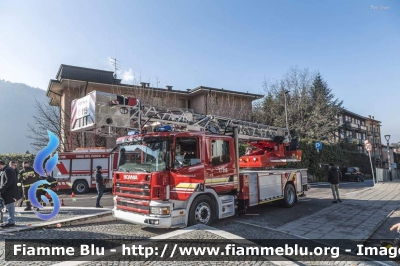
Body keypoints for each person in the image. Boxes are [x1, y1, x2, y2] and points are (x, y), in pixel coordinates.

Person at [0, 160, 21, 227]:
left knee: (10, 207)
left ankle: (11, 221)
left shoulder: (7, 170)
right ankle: (10, 221)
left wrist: (2, 189)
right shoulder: (5, 170)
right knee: (8, 206)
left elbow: (9, 181)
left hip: (9, 192)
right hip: (7, 192)